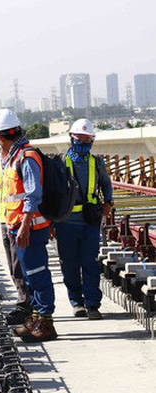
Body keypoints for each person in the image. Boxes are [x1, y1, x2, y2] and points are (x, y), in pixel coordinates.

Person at [0, 108, 57, 342]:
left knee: (37, 274)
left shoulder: (26, 157)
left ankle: (46, 323)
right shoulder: (15, 155)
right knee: (30, 276)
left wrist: (25, 225)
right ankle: (36, 320)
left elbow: (33, 194)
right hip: (20, 226)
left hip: (30, 228)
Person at [54, 119, 113, 320]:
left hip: (89, 221)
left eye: (88, 138)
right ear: (72, 138)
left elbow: (106, 183)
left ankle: (92, 304)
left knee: (90, 263)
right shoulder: (61, 161)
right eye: (80, 137)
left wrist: (108, 202)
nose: (84, 141)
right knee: (69, 264)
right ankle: (76, 302)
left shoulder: (96, 162)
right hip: (66, 222)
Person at [0, 150, 31, 325]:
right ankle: (24, 301)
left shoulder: (19, 162)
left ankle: (25, 304)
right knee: (12, 266)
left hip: (19, 221)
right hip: (4, 219)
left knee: (19, 265)